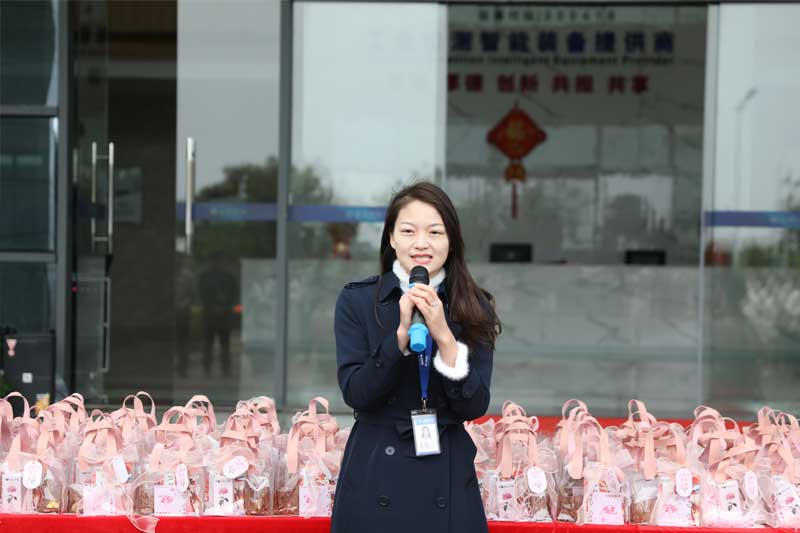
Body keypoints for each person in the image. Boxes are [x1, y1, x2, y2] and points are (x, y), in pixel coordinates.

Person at [331, 182, 501, 533]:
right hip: (376, 468)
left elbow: (474, 406)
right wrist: (398, 341)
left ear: (451, 240)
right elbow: (356, 393)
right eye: (408, 231)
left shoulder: (474, 307)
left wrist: (444, 337)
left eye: (435, 232)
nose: (421, 243)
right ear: (391, 238)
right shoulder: (358, 301)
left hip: (446, 470)